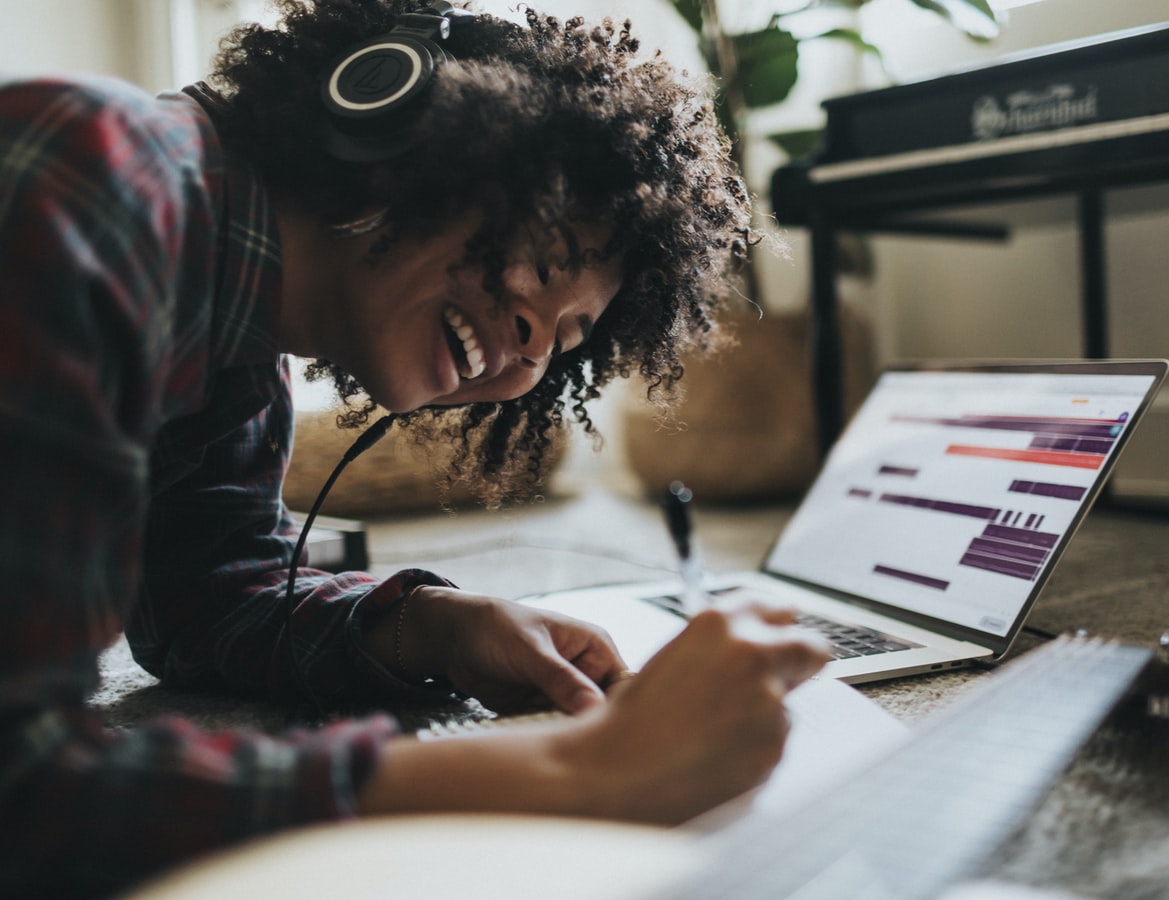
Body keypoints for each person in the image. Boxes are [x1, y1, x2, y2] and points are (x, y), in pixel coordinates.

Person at [0, 1, 832, 896]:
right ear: (397, 122)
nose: (531, 346)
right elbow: (26, 791)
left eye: (571, 338)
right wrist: (580, 775)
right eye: (548, 257)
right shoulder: (97, 174)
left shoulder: (235, 343)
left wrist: (439, 627)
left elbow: (202, 598)